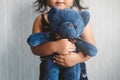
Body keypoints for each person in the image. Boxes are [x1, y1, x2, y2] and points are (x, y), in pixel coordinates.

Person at [30, 0, 96, 80]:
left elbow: (91, 48)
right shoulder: (41, 20)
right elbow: (35, 49)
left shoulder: (80, 20)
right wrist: (54, 46)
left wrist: (77, 58)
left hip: (76, 71)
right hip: (49, 71)